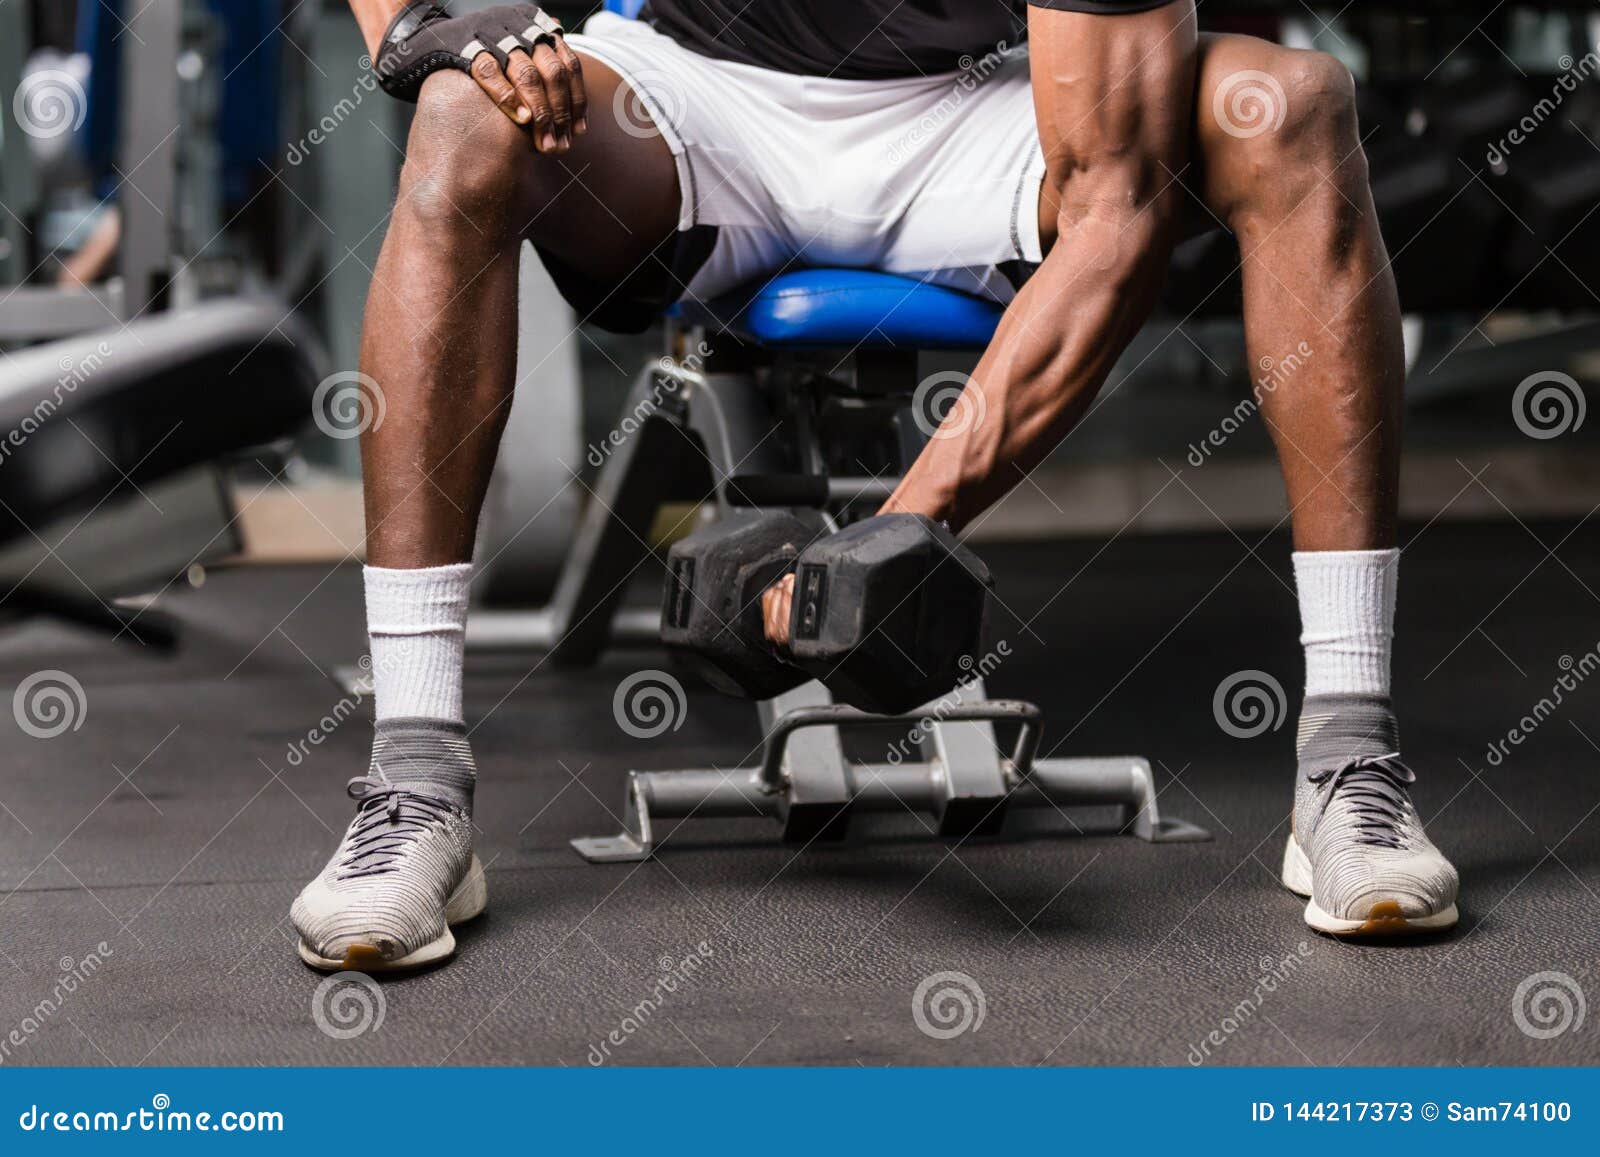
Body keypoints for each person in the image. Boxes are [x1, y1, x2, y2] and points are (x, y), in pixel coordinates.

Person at [291, 0, 1457, 973]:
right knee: (460, 119)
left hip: (984, 107)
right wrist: (417, 27)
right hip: (695, 97)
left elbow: (1115, 213)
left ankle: (1347, 758)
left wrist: (895, 539)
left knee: (1290, 107)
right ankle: (415, 783)